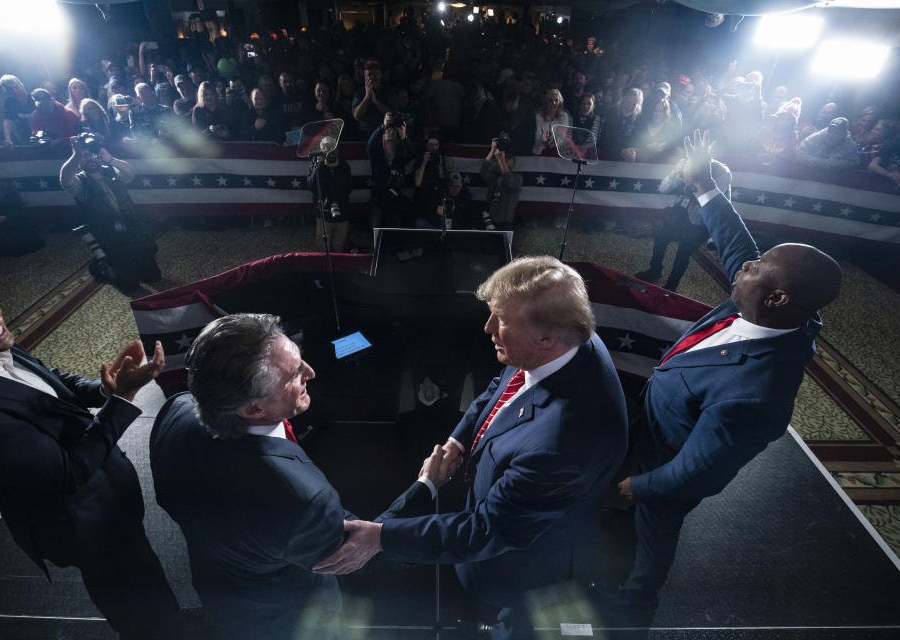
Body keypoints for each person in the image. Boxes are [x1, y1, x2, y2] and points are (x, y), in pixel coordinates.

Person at [313, 256, 630, 639]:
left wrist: (380, 538)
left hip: (520, 567)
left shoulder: (564, 441)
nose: (488, 328)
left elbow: (486, 529)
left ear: (546, 338)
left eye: (501, 321)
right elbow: (502, 387)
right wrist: (459, 439)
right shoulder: (566, 341)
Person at [614, 130, 842, 616]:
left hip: (663, 470)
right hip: (658, 423)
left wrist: (640, 488)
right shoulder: (768, 305)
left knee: (655, 533)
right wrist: (704, 186)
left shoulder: (756, 397)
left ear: (777, 297)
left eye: (756, 267)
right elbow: (736, 243)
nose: (742, 268)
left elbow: (696, 473)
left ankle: (635, 602)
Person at [150, 314, 438, 640]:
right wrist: (426, 484)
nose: (310, 373)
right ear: (254, 410)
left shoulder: (177, 410)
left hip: (223, 591)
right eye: (296, 373)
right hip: (289, 621)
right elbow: (369, 553)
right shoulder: (301, 499)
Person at [0, 271, 181, 639]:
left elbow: (52, 382)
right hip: (82, 524)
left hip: (104, 501)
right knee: (133, 599)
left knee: (144, 576)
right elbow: (67, 474)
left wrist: (106, 390)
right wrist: (122, 401)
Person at [59, 134, 161, 291]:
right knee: (130, 287)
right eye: (85, 156)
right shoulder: (80, 183)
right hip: (108, 236)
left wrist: (109, 158)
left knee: (153, 277)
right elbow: (65, 180)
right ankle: (99, 266)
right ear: (79, 162)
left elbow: (130, 174)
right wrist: (76, 154)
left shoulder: (111, 171)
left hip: (132, 229)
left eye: (92, 154)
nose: (90, 158)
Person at [635, 156, 732, 291]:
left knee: (683, 253)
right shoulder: (688, 162)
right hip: (682, 210)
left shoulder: (722, 172)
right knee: (661, 239)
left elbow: (710, 202)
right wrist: (675, 172)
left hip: (702, 219)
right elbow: (664, 189)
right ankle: (655, 270)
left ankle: (671, 287)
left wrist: (694, 181)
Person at [307, 139, 352, 252]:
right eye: (325, 148)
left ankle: (339, 267)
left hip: (342, 210)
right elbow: (312, 187)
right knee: (322, 247)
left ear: (337, 150)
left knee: (339, 245)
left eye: (332, 147)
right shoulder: (316, 164)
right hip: (324, 212)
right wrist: (320, 166)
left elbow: (348, 188)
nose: (329, 151)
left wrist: (336, 169)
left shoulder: (344, 164)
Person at [479, 137, 523, 230]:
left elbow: (509, 181)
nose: (506, 160)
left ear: (514, 163)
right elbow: (483, 170)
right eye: (505, 157)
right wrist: (493, 150)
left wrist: (501, 159)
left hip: (505, 224)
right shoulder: (494, 177)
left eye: (509, 158)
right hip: (488, 221)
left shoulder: (518, 179)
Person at [796, 117, 860, 171]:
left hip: (836, 179)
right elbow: (799, 155)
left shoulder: (850, 145)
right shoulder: (815, 138)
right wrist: (824, 163)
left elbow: (855, 163)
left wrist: (836, 164)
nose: (831, 135)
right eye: (830, 131)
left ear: (844, 134)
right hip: (810, 174)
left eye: (836, 133)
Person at [532, 87, 571, 155]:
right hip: (540, 151)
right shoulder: (539, 116)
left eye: (556, 100)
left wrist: (551, 144)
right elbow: (537, 136)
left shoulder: (564, 116)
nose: (553, 103)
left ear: (560, 102)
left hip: (558, 151)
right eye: (550, 100)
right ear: (546, 102)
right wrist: (542, 140)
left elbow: (562, 137)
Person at [0, 74, 35, 146]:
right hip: (26, 137)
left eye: (16, 87)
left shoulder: (33, 97)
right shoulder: (9, 102)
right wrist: (8, 139)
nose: (15, 91)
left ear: (21, 85)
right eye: (10, 89)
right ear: (7, 92)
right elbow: (7, 121)